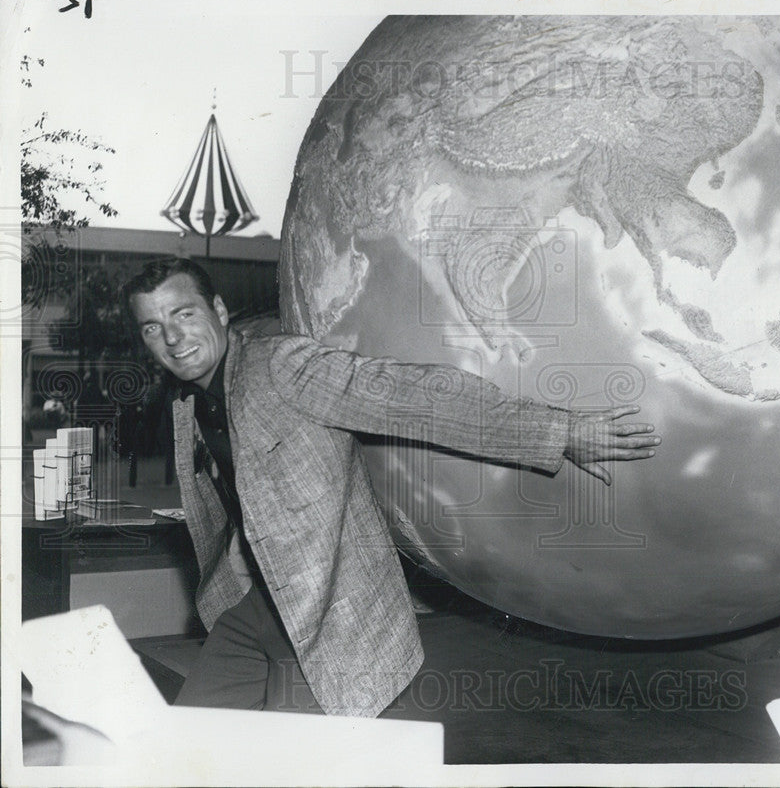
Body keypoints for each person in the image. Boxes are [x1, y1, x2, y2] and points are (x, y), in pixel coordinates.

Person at [122, 258, 659, 716]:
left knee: (289, 768)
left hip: (328, 619)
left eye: (183, 314)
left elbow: (419, 397)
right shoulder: (185, 404)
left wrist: (561, 432)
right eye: (152, 327)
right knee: (183, 748)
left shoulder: (279, 366)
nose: (171, 337)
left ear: (217, 311)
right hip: (254, 608)